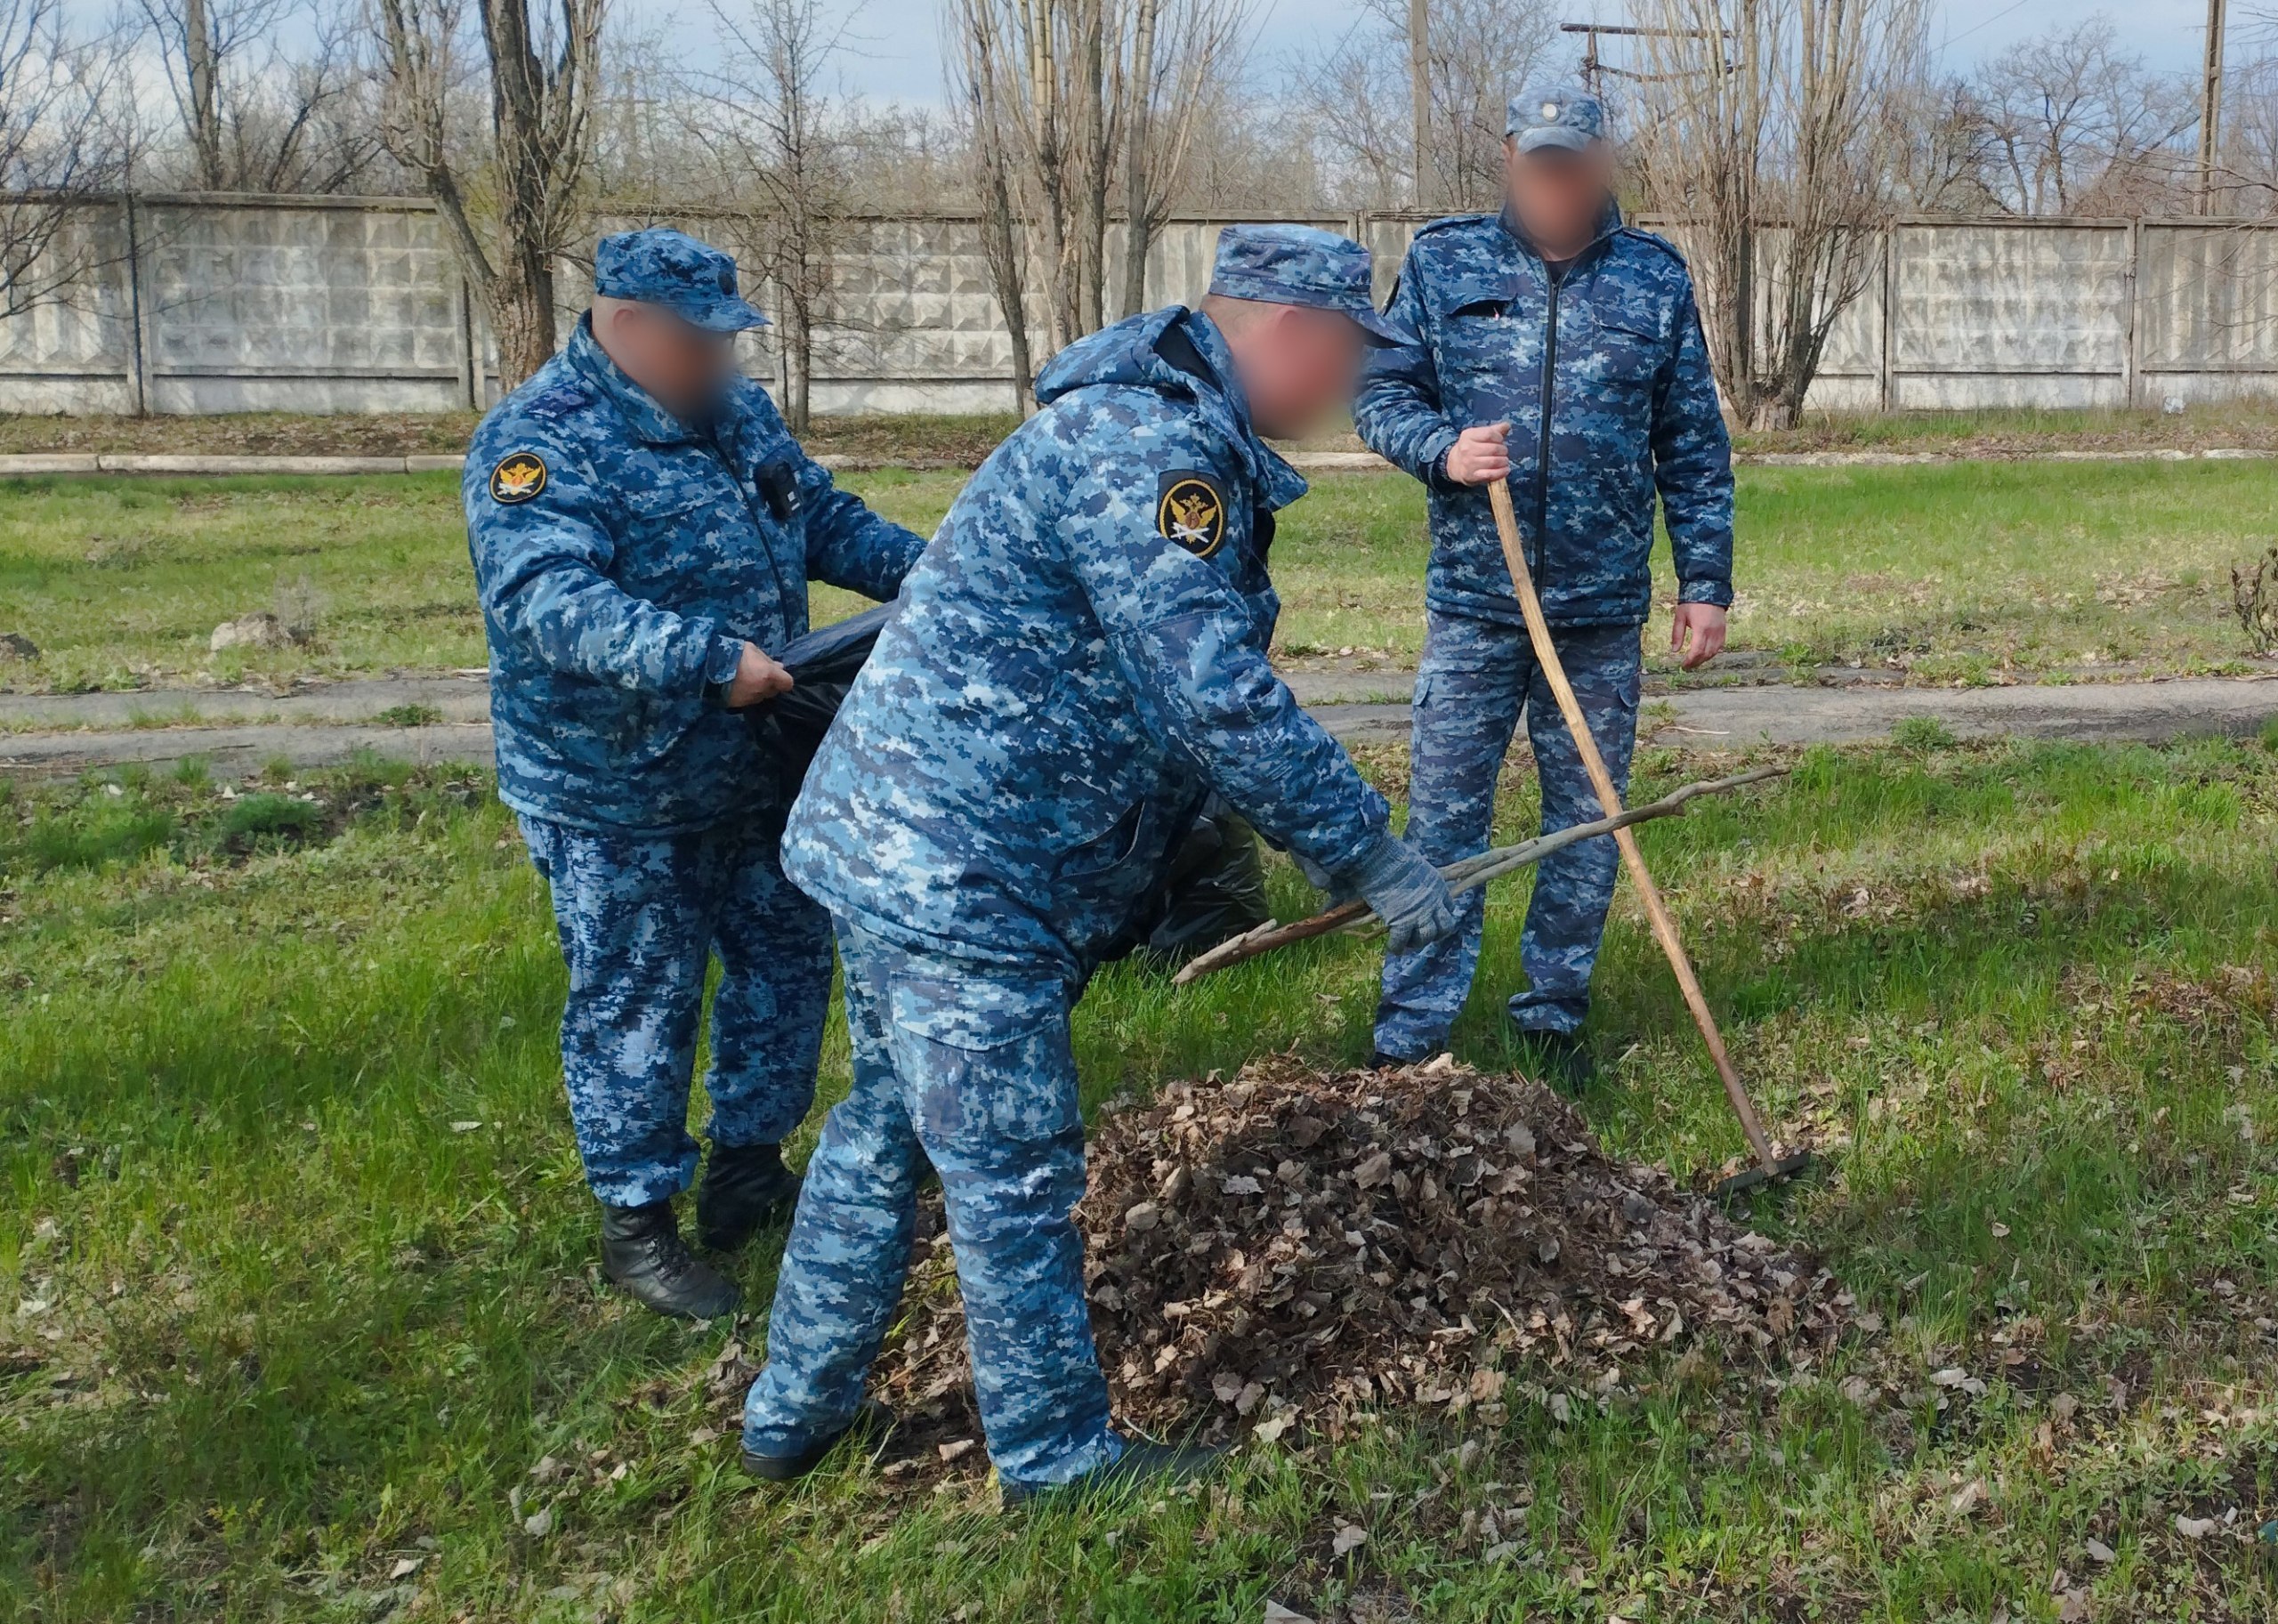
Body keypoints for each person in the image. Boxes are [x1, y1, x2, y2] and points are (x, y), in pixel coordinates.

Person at [738, 225, 1461, 1502]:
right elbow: (1212, 689)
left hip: (898, 837)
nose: (1349, 393)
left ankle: (792, 1410)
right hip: (960, 861)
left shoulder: (1161, 427)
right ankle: (1056, 1458)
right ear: (1291, 333)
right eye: (1349, 359)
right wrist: (1363, 850)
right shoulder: (1153, 449)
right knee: (1013, 1165)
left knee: (887, 1128)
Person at [464, 228, 925, 1320]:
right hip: (616, 788)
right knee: (640, 999)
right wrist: (709, 662)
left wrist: (938, 573)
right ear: (627, 327)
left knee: (783, 964)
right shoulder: (536, 443)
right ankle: (638, 1223)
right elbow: (547, 603)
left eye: (727, 341)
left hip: (761, 764)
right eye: (699, 342)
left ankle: (749, 1174)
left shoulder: (735, 414)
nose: (720, 362)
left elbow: (819, 518)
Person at [1356, 85, 1736, 1093]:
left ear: (1605, 163)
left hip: (1601, 614)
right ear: (1510, 157)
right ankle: (1411, 1039)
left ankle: (1550, 1019)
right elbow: (1378, 393)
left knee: (1586, 824)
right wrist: (1439, 449)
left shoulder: (1653, 279)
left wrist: (1705, 581)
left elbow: (1692, 442)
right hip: (1477, 602)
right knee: (1442, 824)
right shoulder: (1446, 263)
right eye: (1541, 163)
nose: (1558, 183)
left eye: (1575, 164)